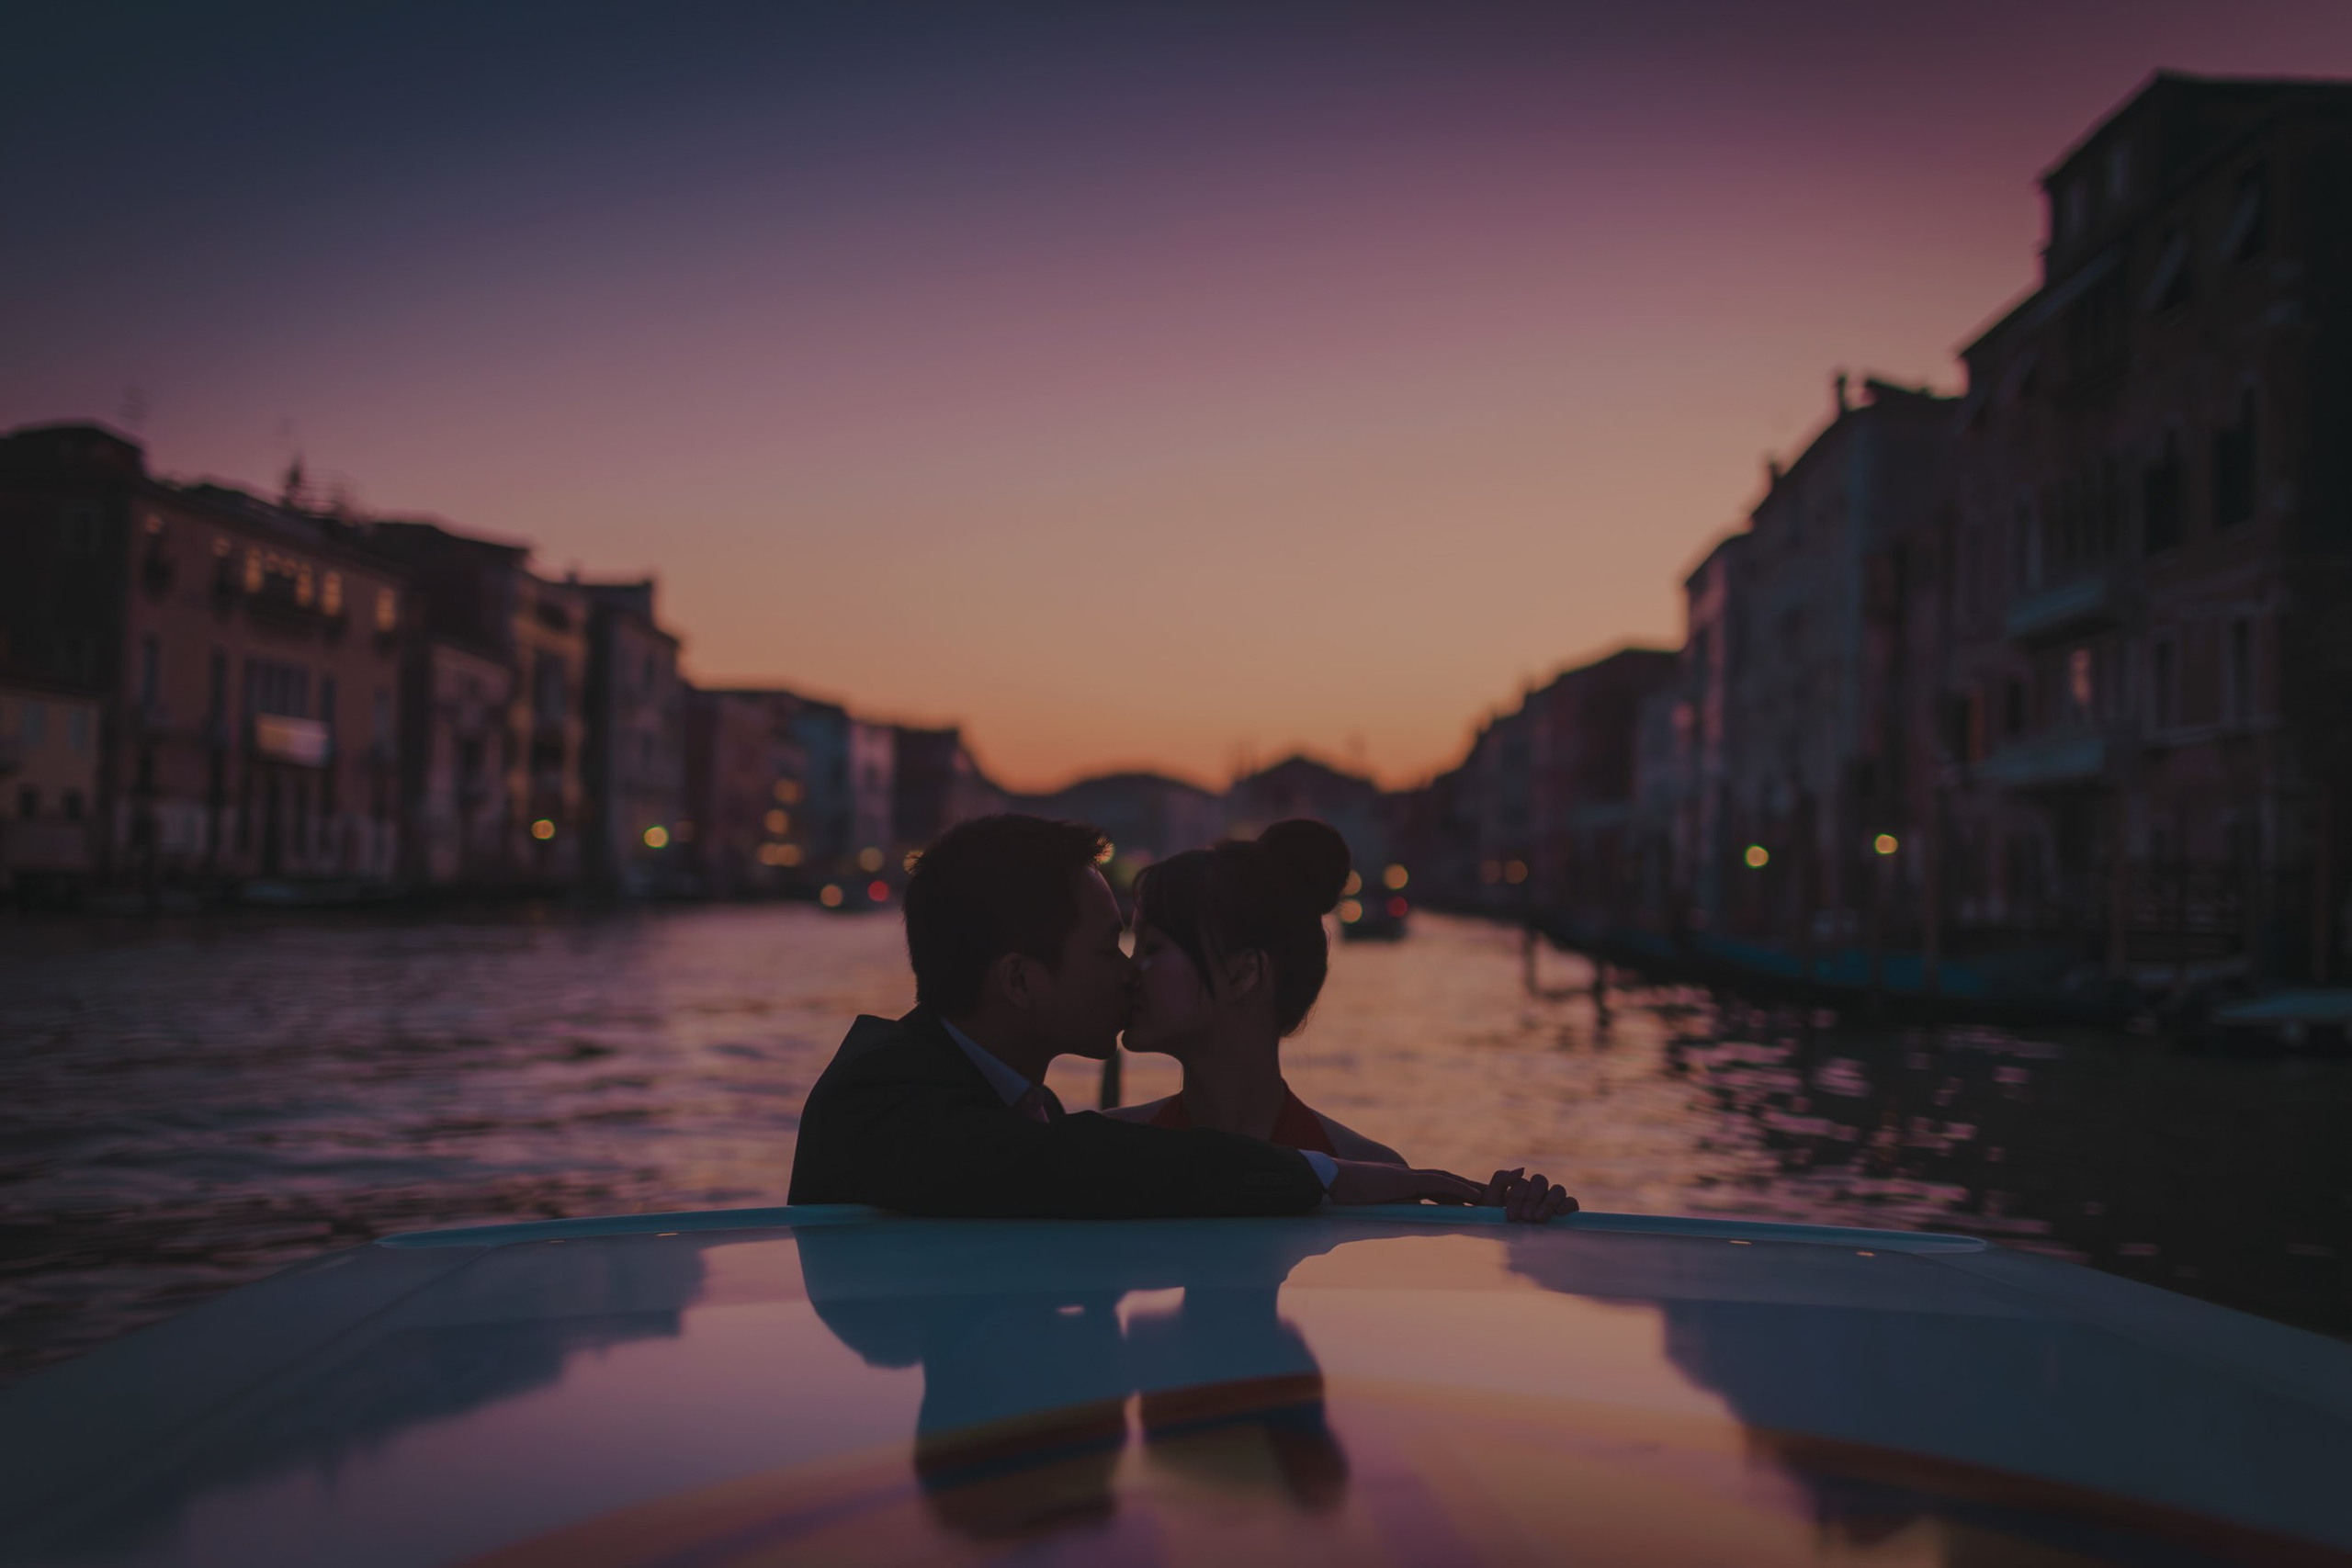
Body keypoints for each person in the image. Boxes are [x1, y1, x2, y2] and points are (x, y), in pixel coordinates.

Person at [787, 813, 1497, 1218]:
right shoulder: (880, 1095)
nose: (1128, 970)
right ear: (1019, 981)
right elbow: (1072, 1167)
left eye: (1146, 945)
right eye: (1111, 945)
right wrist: (1331, 1176)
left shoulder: (1033, 1119)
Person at [1110, 819, 1577, 1224]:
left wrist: (1504, 1226)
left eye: (1151, 949)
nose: (1129, 971)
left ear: (1244, 972)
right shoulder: (1368, 1173)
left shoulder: (1108, 1151)